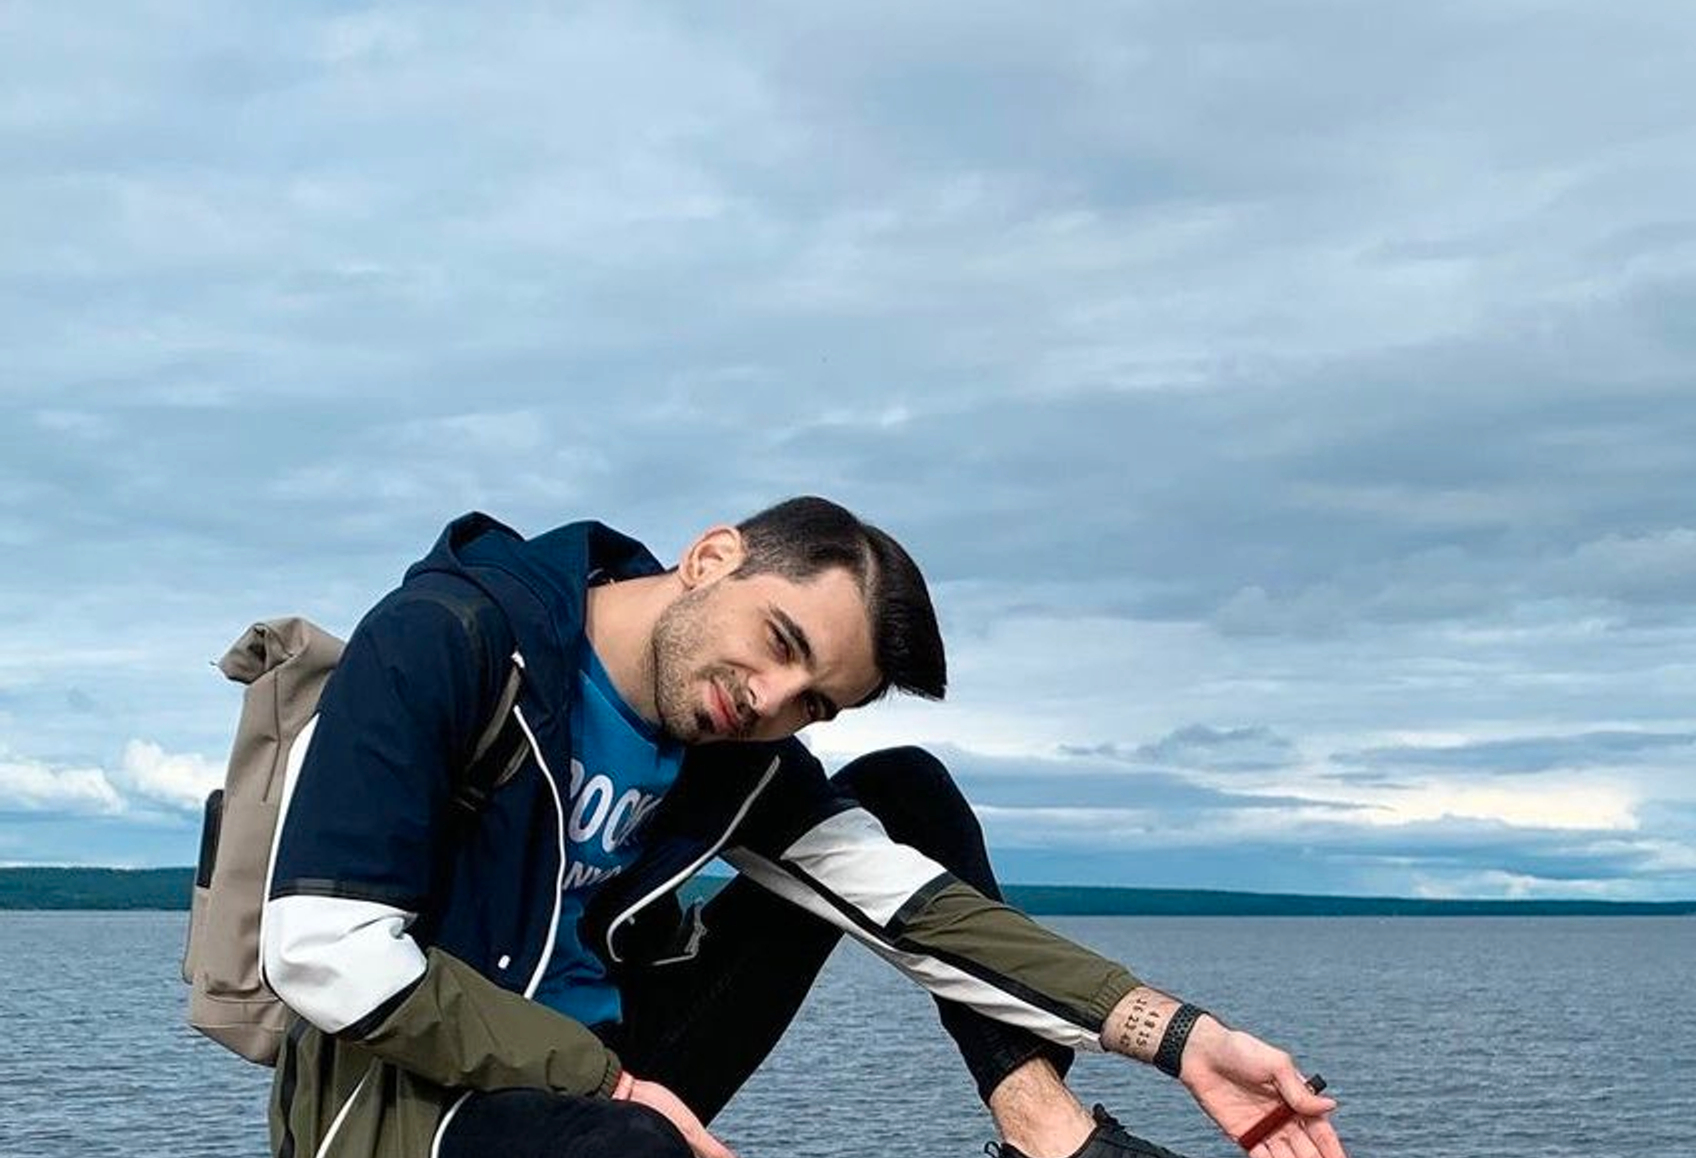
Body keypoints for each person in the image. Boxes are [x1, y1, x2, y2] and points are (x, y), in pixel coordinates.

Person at [261, 497, 1347, 1158]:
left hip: (619, 1070)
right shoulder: (449, 638)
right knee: (624, 1147)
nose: (770, 700)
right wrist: (605, 1085)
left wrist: (1184, 1037)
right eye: (779, 641)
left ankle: (1049, 1135)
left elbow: (915, 908)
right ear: (711, 557)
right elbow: (324, 953)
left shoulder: (730, 756)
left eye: (814, 702)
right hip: (417, 1099)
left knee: (904, 793)